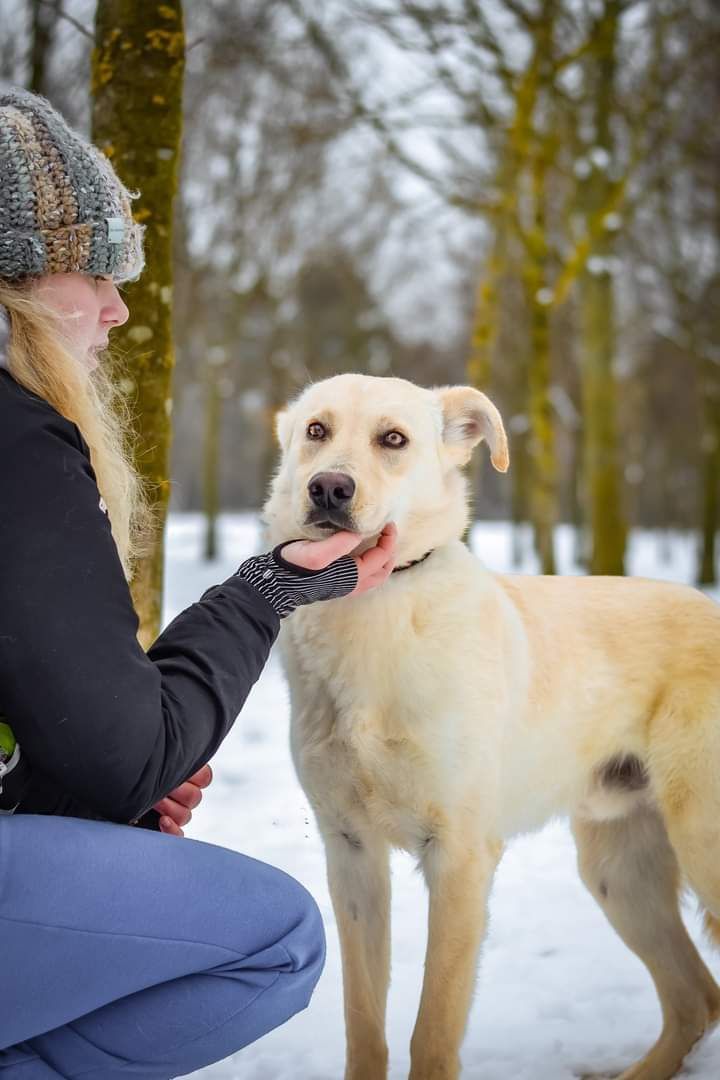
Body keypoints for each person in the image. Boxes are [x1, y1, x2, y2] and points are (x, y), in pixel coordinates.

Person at [0, 88, 397, 1079]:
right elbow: (127, 756)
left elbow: (91, 750)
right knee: (277, 937)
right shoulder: (17, 442)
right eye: (94, 269)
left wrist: (90, 786)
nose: (117, 306)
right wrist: (264, 591)